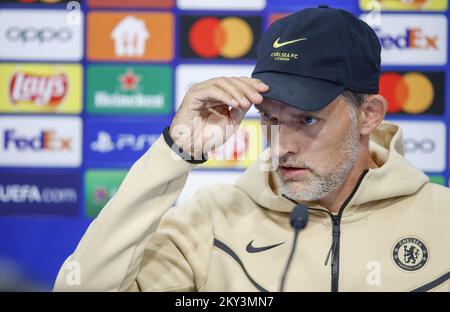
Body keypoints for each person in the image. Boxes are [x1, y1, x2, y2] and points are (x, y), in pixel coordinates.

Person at [54, 6, 450, 292]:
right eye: (269, 118)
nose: (281, 146)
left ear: (369, 115)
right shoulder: (210, 222)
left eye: (306, 119)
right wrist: (174, 153)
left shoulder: (442, 218)